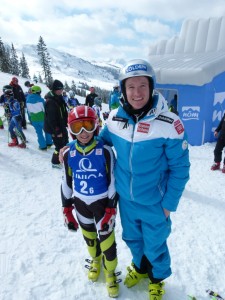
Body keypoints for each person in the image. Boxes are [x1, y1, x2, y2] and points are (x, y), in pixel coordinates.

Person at [58, 59, 190, 300]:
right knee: (132, 238)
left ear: (151, 87)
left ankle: (156, 279)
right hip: (125, 199)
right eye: (131, 87)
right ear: (123, 89)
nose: (136, 93)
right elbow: (97, 142)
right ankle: (140, 269)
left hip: (155, 201)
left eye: (142, 86)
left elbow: (180, 168)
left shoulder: (170, 123)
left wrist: (169, 205)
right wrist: (71, 147)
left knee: (155, 243)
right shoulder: (115, 119)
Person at [61, 105, 120, 298]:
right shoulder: (69, 152)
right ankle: (95, 260)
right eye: (78, 127)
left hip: (102, 204)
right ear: (70, 129)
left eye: (88, 125)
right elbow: (66, 181)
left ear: (96, 126)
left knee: (107, 242)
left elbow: (113, 182)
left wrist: (111, 209)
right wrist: (66, 208)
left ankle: (110, 271)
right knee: (89, 237)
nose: (84, 132)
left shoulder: (105, 151)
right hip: (80, 203)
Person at [44, 79, 69, 168]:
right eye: (61, 89)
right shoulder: (50, 102)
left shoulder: (58, 97)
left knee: (65, 143)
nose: (62, 90)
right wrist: (57, 132)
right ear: (56, 89)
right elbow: (51, 119)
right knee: (59, 146)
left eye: (62, 88)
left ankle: (64, 158)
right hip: (56, 128)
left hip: (61, 125)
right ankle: (55, 162)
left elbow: (63, 111)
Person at [26, 85, 53, 150]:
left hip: (34, 119)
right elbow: (45, 110)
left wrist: (30, 120)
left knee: (39, 133)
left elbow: (28, 112)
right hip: (43, 119)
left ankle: (43, 146)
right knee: (47, 131)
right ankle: (49, 143)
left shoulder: (27, 100)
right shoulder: (41, 100)